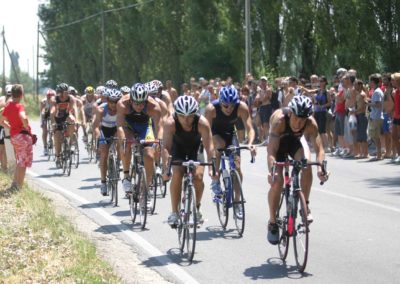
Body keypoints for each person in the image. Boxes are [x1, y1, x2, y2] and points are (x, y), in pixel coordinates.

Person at [266, 96, 327, 245]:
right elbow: (271, 151)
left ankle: (304, 205)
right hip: (278, 145)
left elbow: (320, 149)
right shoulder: (279, 120)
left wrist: (321, 168)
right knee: (277, 182)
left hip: (295, 143)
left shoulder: (310, 123)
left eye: (303, 120)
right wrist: (272, 171)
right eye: (296, 118)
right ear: (290, 113)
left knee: (306, 165)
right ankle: (273, 222)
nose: (299, 124)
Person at [162, 95, 216, 226]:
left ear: (195, 114)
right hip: (177, 149)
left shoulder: (202, 123)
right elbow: (166, 148)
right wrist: (165, 168)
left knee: (198, 176)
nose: (186, 120)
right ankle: (174, 212)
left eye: (190, 116)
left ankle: (196, 208)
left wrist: (212, 168)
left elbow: (209, 147)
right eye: (182, 116)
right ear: (176, 114)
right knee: (177, 173)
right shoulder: (170, 123)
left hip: (195, 149)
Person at [204, 85, 256, 201]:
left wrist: (251, 143)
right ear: (220, 101)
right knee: (219, 145)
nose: (229, 108)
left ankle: (237, 200)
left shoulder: (241, 107)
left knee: (237, 167)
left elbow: (250, 128)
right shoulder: (211, 109)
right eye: (226, 105)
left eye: (232, 105)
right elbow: (206, 133)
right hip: (215, 133)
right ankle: (215, 181)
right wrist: (209, 154)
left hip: (230, 134)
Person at [117, 83, 162, 194]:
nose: (138, 106)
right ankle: (126, 176)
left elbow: (159, 127)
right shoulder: (122, 104)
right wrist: (123, 140)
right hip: (129, 126)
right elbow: (120, 126)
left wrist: (159, 141)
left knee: (149, 154)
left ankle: (147, 187)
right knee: (126, 145)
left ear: (146, 101)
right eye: (136, 103)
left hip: (145, 127)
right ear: (130, 100)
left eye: (142, 104)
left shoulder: (154, 106)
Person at [0, 84, 34, 190]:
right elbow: (23, 117)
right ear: (21, 95)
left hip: (14, 136)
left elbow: (1, 120)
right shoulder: (19, 106)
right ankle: (19, 186)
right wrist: (26, 127)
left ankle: (15, 183)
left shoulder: (8, 106)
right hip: (23, 136)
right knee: (23, 163)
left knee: (20, 160)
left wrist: (10, 127)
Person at [93, 88, 122, 195]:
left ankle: (118, 162)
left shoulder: (122, 109)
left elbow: (124, 125)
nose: (113, 104)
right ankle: (103, 182)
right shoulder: (101, 109)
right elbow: (96, 126)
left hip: (116, 129)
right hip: (104, 131)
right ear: (107, 100)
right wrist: (98, 137)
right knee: (104, 153)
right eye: (111, 101)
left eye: (116, 101)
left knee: (120, 141)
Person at [50, 83, 78, 167]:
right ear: (59, 93)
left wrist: (76, 121)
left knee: (72, 120)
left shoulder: (71, 98)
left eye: (67, 92)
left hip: (66, 116)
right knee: (57, 137)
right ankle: (58, 156)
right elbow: (52, 111)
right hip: (57, 118)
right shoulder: (54, 99)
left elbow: (74, 109)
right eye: (64, 93)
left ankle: (71, 143)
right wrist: (53, 123)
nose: (66, 94)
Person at [367, 74, 384, 161]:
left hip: (376, 117)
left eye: (370, 81)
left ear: (373, 82)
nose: (369, 83)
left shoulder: (377, 92)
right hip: (376, 116)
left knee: (375, 136)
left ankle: (379, 155)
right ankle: (379, 153)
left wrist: (369, 103)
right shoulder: (376, 91)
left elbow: (378, 104)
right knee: (375, 136)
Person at [0, 84, 12, 172]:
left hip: (10, 127)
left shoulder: (15, 101)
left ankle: (10, 170)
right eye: (8, 94)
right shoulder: (1, 100)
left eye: (11, 94)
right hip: (3, 126)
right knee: (3, 149)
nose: (9, 96)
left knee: (9, 149)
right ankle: (4, 169)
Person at [40, 88, 55, 155]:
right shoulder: (43, 101)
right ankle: (45, 146)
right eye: (48, 96)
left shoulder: (55, 101)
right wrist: (43, 122)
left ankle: (53, 140)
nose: (49, 97)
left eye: (51, 96)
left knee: (54, 127)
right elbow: (42, 111)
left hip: (53, 113)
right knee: (45, 131)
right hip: (45, 114)